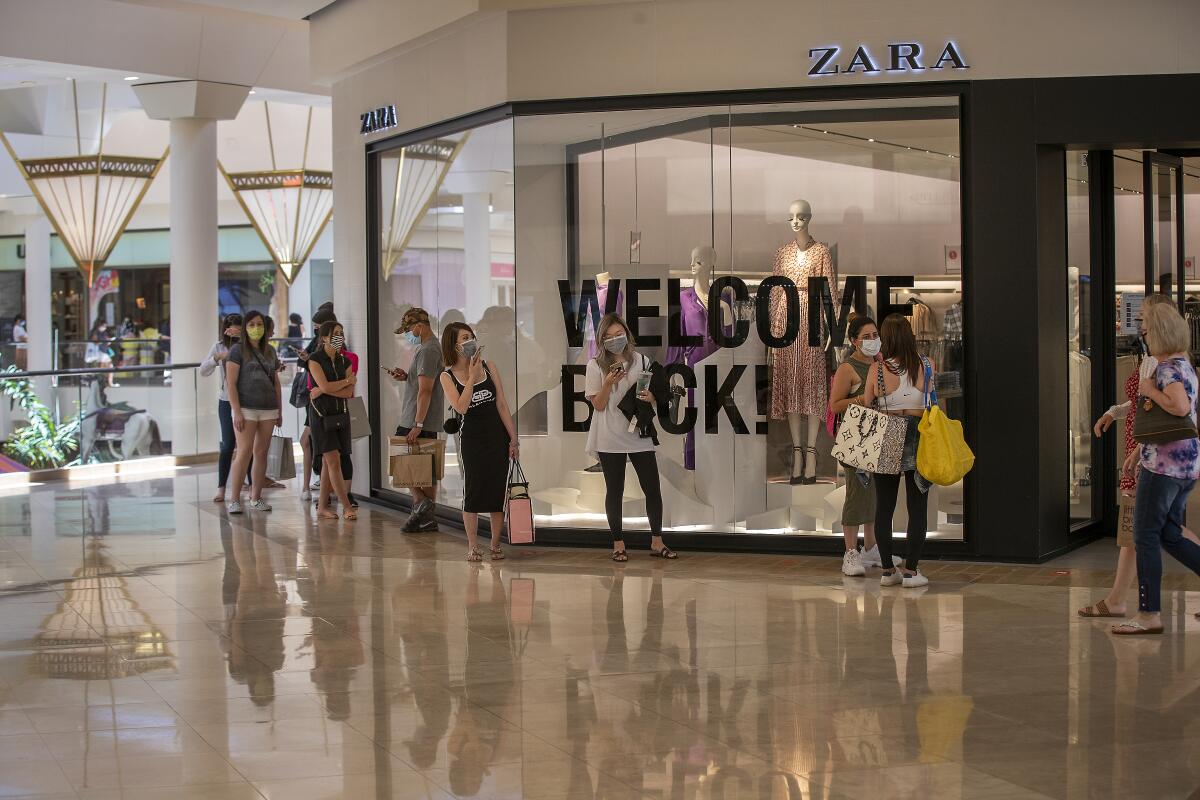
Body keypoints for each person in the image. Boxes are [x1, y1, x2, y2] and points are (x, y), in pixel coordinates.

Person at [1083, 294, 1200, 619]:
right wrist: (1121, 422)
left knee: (1145, 531)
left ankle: (1141, 610)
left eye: (1145, 322)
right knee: (1154, 530)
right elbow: (1153, 406)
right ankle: (1120, 599)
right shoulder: (1179, 364)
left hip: (1161, 455)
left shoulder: (1164, 367)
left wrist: (1147, 395)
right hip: (1159, 450)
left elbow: (1176, 406)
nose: (1142, 329)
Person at [585, 313, 677, 561]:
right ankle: (618, 544)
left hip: (638, 432)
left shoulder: (642, 360)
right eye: (609, 336)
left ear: (626, 334)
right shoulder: (595, 366)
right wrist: (606, 384)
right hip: (608, 437)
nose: (615, 340)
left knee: (652, 488)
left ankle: (657, 541)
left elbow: (653, 394)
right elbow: (599, 406)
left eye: (619, 335)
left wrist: (653, 399)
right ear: (602, 340)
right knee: (614, 490)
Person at [863, 313, 935, 588]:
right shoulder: (926, 365)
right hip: (919, 433)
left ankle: (887, 570)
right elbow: (931, 400)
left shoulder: (877, 370)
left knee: (885, 506)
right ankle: (912, 571)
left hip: (887, 433)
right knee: (918, 507)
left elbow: (869, 403)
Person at [440, 322, 519, 562]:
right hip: (472, 440)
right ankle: (473, 546)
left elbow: (502, 404)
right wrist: (472, 377)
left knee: (497, 491)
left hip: (497, 436)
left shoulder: (490, 366)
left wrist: (513, 438)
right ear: (454, 345)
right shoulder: (447, 376)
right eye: (465, 337)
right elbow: (461, 407)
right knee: (473, 492)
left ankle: (495, 544)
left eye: (471, 336)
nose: (470, 340)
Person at [828, 314, 881, 576]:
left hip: (878, 434)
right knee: (856, 493)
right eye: (867, 337)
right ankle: (850, 551)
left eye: (875, 335)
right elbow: (835, 405)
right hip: (854, 436)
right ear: (854, 341)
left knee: (874, 494)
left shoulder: (879, 363)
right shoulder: (847, 368)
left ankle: (871, 547)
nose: (873, 341)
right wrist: (862, 397)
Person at [388, 307, 444, 533]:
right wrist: (406, 377)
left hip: (417, 419)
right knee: (424, 470)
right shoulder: (427, 349)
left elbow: (426, 391)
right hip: (419, 417)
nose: (408, 334)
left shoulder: (428, 350)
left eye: (409, 329)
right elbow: (421, 383)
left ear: (419, 326)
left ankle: (422, 505)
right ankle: (426, 517)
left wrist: (418, 424)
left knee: (404, 462)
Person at [224, 311, 282, 514]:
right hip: (246, 408)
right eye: (252, 324)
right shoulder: (237, 351)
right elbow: (230, 383)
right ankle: (234, 499)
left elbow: (275, 382)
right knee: (244, 452)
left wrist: (279, 410)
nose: (256, 328)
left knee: (261, 453)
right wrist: (236, 411)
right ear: (245, 327)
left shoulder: (270, 352)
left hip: (268, 408)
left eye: (259, 324)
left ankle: (256, 497)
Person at [307, 320, 358, 521]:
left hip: (340, 414)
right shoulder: (315, 359)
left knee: (331, 463)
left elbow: (348, 392)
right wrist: (343, 383)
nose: (340, 337)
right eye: (336, 333)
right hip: (321, 416)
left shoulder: (345, 361)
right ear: (324, 337)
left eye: (341, 333)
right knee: (332, 461)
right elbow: (332, 386)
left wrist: (325, 388)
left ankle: (322, 506)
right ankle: (346, 506)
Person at [201, 313, 242, 503]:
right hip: (226, 401)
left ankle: (249, 486)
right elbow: (204, 370)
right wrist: (217, 358)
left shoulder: (246, 347)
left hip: (247, 401)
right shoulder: (218, 346)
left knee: (246, 446)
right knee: (228, 445)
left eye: (239, 327)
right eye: (232, 327)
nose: (235, 331)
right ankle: (221, 488)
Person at [298, 304, 337, 501]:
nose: (315, 329)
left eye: (318, 325)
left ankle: (326, 491)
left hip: (326, 404)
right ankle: (313, 487)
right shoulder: (316, 346)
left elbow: (339, 375)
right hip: (315, 402)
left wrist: (323, 388)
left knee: (326, 448)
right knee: (310, 442)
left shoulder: (336, 351)